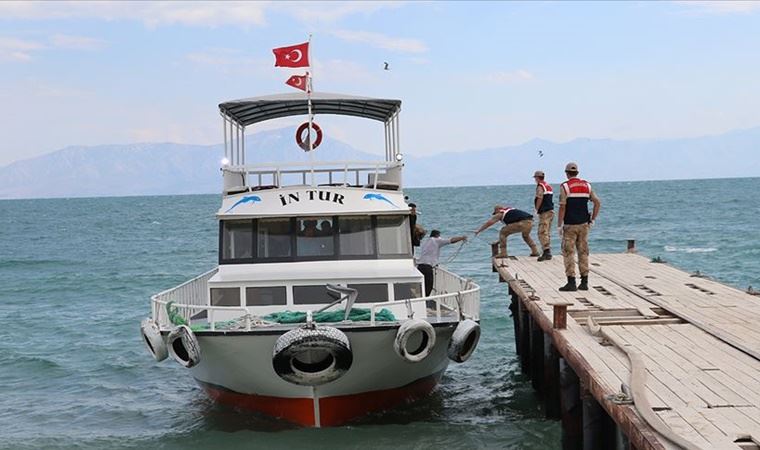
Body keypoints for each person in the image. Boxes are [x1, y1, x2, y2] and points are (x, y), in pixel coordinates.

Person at [557, 162, 601, 292]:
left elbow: (562, 206)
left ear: (566, 173)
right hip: (584, 225)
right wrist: (593, 218)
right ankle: (584, 282)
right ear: (577, 172)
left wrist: (559, 225)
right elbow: (597, 202)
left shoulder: (565, 187)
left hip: (570, 225)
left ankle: (571, 282)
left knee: (569, 253)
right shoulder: (587, 185)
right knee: (583, 252)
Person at [475, 205, 539, 258]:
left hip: (522, 223)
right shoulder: (510, 210)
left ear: (498, 210)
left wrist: (479, 230)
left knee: (502, 232)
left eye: (495, 213)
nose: (495, 215)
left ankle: (503, 253)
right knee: (525, 236)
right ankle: (535, 251)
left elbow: (489, 223)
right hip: (530, 222)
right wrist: (498, 241)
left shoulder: (500, 213)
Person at [417, 230, 467, 296]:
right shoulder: (437, 240)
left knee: (422, 285)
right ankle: (424, 301)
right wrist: (461, 238)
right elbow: (451, 240)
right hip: (427, 267)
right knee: (429, 286)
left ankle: (420, 298)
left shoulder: (427, 242)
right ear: (437, 235)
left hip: (420, 266)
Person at [533, 170, 555, 261]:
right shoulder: (548, 186)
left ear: (537, 178)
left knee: (541, 232)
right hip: (551, 211)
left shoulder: (540, 186)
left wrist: (536, 209)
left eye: (535, 178)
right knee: (547, 232)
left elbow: (540, 198)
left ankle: (546, 252)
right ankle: (547, 251)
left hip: (545, 212)